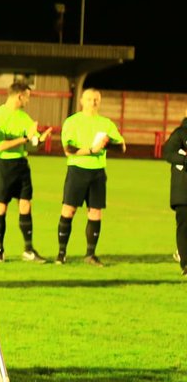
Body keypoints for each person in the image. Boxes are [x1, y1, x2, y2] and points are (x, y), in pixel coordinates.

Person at [55, 88, 125, 266]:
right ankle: (61, 253)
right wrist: (91, 150)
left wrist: (107, 145)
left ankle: (90, 254)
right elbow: (68, 149)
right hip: (77, 170)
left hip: (98, 172)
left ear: (99, 102)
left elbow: (122, 147)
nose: (92, 102)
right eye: (89, 99)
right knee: (68, 210)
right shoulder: (72, 121)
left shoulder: (106, 123)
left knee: (95, 212)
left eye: (96, 99)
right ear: (81, 101)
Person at [0, 82, 53, 262]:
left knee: (25, 205)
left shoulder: (24, 117)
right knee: (2, 206)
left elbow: (31, 144)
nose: (28, 100)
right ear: (19, 96)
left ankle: (28, 249)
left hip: (22, 164)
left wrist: (39, 141)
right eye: (27, 96)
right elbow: (1, 145)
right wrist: (25, 137)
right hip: (4, 165)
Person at [164, 107, 187, 276]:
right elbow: (168, 153)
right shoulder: (180, 133)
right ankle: (185, 264)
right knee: (184, 226)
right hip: (183, 190)